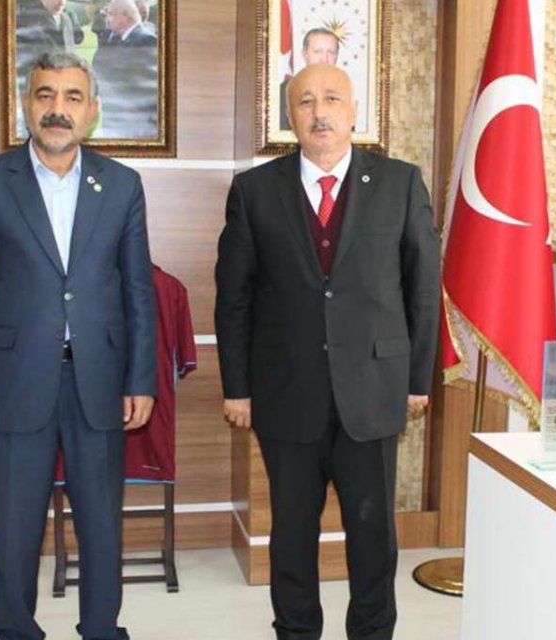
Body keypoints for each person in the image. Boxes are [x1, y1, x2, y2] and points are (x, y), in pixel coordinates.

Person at [215, 63, 441, 640]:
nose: (320, 112)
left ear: (354, 111)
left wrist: (418, 380)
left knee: (373, 535)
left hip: (374, 390)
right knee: (292, 535)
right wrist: (237, 388)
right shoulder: (254, 191)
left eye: (332, 99)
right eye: (306, 101)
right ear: (290, 117)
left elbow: (422, 290)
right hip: (286, 393)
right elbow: (234, 298)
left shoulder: (400, 183)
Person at [0, 51, 157, 640]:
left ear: (92, 111)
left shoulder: (122, 185)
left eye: (71, 97)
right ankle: (15, 630)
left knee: (101, 525)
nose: (57, 109)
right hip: (13, 382)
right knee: (15, 527)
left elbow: (137, 291)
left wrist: (141, 379)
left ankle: (101, 629)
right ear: (26, 105)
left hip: (99, 381)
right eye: (45, 95)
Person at [92, 0, 160, 139]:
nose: (107, 19)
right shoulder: (111, 38)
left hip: (137, 124)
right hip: (114, 119)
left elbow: (150, 88)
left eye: (111, 14)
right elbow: (98, 66)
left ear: (125, 16)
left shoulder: (147, 41)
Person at [280, 28, 341, 131]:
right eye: (317, 52)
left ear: (336, 56)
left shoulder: (343, 93)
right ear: (304, 54)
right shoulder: (285, 91)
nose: (324, 59)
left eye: (331, 52)